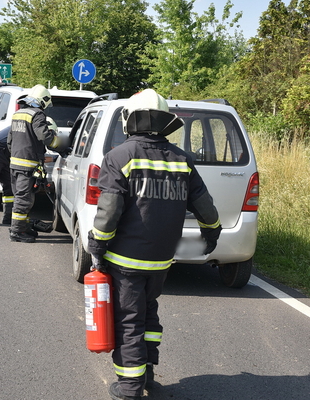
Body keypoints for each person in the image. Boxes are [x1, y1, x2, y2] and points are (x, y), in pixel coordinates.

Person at [87, 89, 222, 400]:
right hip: (161, 261)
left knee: (129, 320)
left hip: (126, 260)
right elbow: (205, 207)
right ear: (164, 121)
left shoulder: (119, 157)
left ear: (129, 120)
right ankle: (146, 375)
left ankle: (130, 386)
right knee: (148, 314)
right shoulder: (182, 159)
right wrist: (212, 233)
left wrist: (97, 246)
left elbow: (108, 212)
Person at [6, 84, 67, 243]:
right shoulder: (37, 114)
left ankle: (24, 227)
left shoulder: (18, 113)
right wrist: (62, 146)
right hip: (27, 165)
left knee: (22, 197)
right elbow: (45, 137)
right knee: (24, 200)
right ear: (43, 100)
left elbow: (10, 140)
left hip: (15, 164)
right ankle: (17, 231)